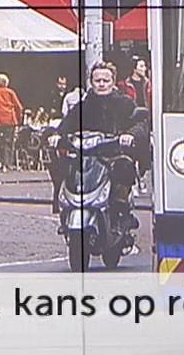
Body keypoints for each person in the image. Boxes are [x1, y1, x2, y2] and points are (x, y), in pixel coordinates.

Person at [54, 62, 148, 238]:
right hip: (86, 157)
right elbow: (66, 124)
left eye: (106, 80)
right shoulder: (83, 106)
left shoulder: (125, 103)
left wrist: (130, 135)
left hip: (113, 155)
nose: (102, 84)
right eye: (97, 80)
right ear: (91, 82)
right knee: (62, 164)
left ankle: (121, 214)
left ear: (113, 82)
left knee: (124, 166)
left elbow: (139, 123)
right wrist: (55, 136)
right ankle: (63, 208)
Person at [0, 73, 24, 171]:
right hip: (10, 120)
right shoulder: (11, 92)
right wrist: (19, 120)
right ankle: (7, 163)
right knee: (8, 142)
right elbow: (19, 107)